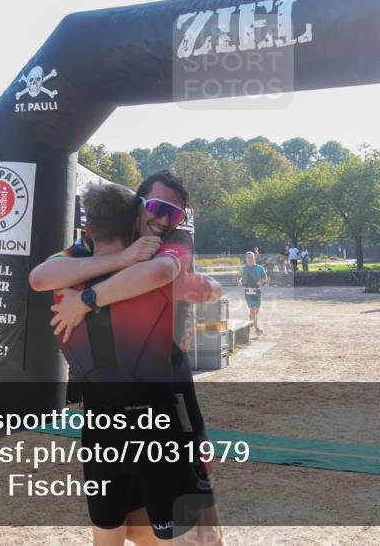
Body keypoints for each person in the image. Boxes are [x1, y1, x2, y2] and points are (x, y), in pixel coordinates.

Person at [29, 171, 224, 544]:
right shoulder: (96, 246)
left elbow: (165, 272)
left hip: (172, 405)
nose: (165, 220)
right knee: (138, 527)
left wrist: (86, 300)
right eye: (158, 208)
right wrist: (122, 258)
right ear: (136, 208)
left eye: (176, 214)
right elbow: (39, 276)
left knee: (199, 527)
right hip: (120, 417)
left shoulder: (171, 244)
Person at [238, 251, 269, 335]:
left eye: (251, 257)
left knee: (256, 311)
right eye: (248, 258)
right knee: (253, 309)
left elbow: (266, 278)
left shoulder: (260, 268)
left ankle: (251, 318)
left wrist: (261, 281)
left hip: (257, 292)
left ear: (254, 258)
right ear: (246, 259)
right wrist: (240, 282)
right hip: (248, 292)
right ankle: (257, 329)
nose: (250, 259)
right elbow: (239, 277)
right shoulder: (243, 268)